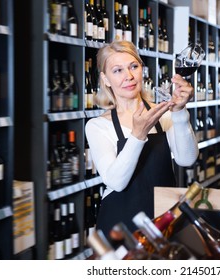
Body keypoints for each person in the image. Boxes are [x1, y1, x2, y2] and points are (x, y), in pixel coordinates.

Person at [85, 40, 199, 234]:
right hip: (121, 224)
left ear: (142, 70)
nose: (128, 76)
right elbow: (116, 182)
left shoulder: (162, 113)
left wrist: (179, 112)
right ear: (105, 79)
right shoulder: (98, 126)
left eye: (133, 66)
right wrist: (138, 134)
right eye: (117, 70)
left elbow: (187, 159)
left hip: (164, 219)